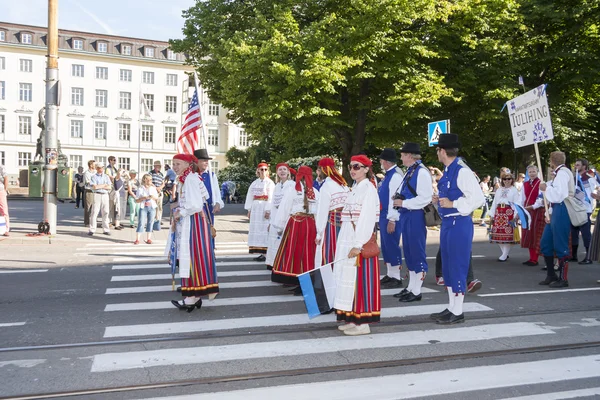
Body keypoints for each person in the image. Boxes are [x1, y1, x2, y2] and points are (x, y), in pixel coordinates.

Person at [431, 134, 484, 325]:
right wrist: (441, 201)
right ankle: (452, 306)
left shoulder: (462, 171)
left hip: (459, 223)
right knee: (448, 267)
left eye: (438, 150)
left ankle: (458, 310)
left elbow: (478, 198)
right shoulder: (450, 170)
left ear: (443, 151)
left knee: (457, 266)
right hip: (449, 223)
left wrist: (453, 202)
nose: (437, 153)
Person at [334, 155, 381, 336]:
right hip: (349, 236)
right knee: (350, 279)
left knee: (361, 280)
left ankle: (363, 322)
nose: (353, 169)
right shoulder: (355, 188)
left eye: (357, 167)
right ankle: (353, 318)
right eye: (351, 166)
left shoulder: (368, 189)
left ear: (366, 169)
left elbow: (367, 219)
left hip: (359, 239)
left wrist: (358, 244)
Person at [168, 153, 219, 312]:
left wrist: (180, 213)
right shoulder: (188, 178)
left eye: (178, 164)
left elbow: (196, 205)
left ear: (187, 164)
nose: (175, 167)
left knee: (192, 258)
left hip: (194, 223)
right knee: (193, 258)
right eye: (173, 164)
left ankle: (192, 297)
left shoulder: (190, 179)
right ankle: (193, 296)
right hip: (194, 222)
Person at [391, 143, 433, 302]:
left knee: (416, 251)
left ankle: (416, 290)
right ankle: (411, 287)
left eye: (402, 154)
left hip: (415, 215)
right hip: (407, 214)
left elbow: (425, 198)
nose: (400, 157)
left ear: (409, 155)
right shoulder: (412, 170)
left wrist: (404, 203)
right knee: (409, 252)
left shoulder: (421, 172)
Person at [270, 166, 319, 294]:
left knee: (295, 252)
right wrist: (319, 230)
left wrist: (279, 225)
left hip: (296, 224)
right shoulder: (314, 191)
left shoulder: (293, 190)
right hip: (310, 225)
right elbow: (319, 211)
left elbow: (285, 208)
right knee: (308, 253)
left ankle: (297, 281)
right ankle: (307, 281)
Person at [539, 151, 571, 288]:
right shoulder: (560, 173)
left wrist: (546, 189)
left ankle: (563, 279)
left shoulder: (562, 173)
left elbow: (559, 195)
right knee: (546, 242)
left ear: (552, 161)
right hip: (557, 209)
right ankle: (551, 274)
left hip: (562, 208)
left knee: (560, 244)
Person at [314, 157, 349, 267]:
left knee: (330, 249)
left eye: (320, 169)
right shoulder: (343, 184)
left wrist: (319, 233)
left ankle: (331, 277)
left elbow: (322, 211)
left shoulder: (326, 186)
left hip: (332, 221)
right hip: (345, 219)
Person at [377, 148, 404, 289]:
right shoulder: (389, 175)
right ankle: (390, 274)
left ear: (386, 162)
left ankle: (396, 276)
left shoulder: (395, 176)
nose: (380, 162)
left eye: (381, 160)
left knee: (392, 245)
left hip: (391, 215)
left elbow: (394, 198)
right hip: (385, 215)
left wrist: (392, 219)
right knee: (386, 246)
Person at [265, 163, 295, 270]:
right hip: (275, 216)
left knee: (283, 241)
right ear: (277, 172)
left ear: (288, 172)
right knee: (274, 240)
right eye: (280, 169)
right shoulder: (277, 186)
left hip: (286, 217)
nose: (282, 171)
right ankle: (273, 263)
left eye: (284, 169)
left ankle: (281, 265)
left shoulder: (292, 185)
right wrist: (270, 221)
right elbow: (273, 204)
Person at [488, 171, 521, 261]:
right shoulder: (499, 190)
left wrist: (516, 215)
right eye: (505, 179)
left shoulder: (514, 190)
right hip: (499, 212)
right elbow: (495, 202)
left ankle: (504, 254)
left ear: (512, 180)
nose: (507, 181)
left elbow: (516, 203)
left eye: (509, 179)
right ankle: (504, 253)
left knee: (507, 234)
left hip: (509, 212)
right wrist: (492, 214)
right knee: (498, 234)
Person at [245, 161, 275, 260]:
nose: (263, 171)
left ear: (267, 171)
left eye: (265, 169)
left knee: (265, 229)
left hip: (264, 207)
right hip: (256, 208)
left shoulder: (270, 183)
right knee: (256, 228)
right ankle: (261, 252)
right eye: (261, 169)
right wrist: (249, 209)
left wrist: (268, 210)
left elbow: (271, 197)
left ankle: (267, 253)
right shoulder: (254, 183)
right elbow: (250, 196)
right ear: (258, 170)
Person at [570, 158, 597, 264]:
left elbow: (591, 195)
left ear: (584, 166)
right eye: (575, 165)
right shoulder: (573, 178)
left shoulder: (589, 179)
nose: (575, 167)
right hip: (574, 208)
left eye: (578, 165)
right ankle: (574, 255)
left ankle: (588, 257)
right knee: (573, 232)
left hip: (585, 209)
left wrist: (580, 195)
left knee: (585, 233)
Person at [194, 148, 224, 232]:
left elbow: (216, 192)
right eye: (204, 160)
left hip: (208, 209)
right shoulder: (191, 175)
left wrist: (218, 203)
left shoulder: (211, 176)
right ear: (197, 161)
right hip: (194, 210)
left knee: (208, 233)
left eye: (207, 160)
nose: (207, 162)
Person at [521, 165, 545, 266]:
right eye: (530, 172)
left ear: (537, 172)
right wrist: (521, 209)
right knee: (528, 234)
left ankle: (535, 259)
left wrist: (533, 207)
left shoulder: (541, 183)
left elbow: (541, 199)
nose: (532, 173)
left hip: (537, 211)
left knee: (535, 234)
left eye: (534, 171)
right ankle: (531, 258)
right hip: (527, 211)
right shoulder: (525, 184)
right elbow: (522, 197)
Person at [88, 163, 112, 236]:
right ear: (96, 168)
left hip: (105, 195)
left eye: (101, 168)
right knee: (94, 212)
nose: (100, 169)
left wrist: (100, 186)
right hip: (97, 194)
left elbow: (109, 187)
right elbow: (94, 187)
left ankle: (106, 229)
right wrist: (104, 185)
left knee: (106, 212)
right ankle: (92, 229)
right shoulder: (94, 177)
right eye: (99, 168)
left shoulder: (106, 177)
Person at [134, 174, 159, 244]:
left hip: (152, 207)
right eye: (148, 179)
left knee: (150, 222)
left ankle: (149, 238)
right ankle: (137, 239)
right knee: (141, 222)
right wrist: (143, 198)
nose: (150, 181)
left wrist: (152, 197)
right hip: (143, 207)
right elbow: (136, 200)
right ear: (145, 180)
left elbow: (156, 198)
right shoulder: (140, 188)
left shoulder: (153, 188)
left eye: (151, 179)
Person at [149, 161, 165, 229]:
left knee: (160, 207)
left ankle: (159, 219)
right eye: (158, 166)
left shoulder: (161, 174)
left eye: (160, 166)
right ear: (155, 166)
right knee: (153, 206)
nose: (159, 168)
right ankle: (153, 220)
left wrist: (160, 188)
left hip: (160, 191)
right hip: (153, 191)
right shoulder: (151, 173)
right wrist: (156, 188)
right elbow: (149, 181)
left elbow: (163, 183)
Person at [105, 156, 118, 226]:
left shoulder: (114, 169)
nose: (115, 161)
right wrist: (116, 177)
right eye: (114, 160)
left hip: (115, 187)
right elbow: (109, 177)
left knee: (114, 205)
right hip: (110, 188)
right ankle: (108, 221)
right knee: (109, 205)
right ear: (110, 161)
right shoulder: (108, 168)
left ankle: (113, 221)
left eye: (115, 160)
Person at [83, 160, 96, 226]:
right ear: (90, 165)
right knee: (88, 207)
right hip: (89, 191)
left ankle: (93, 221)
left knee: (94, 207)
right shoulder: (86, 173)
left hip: (96, 191)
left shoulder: (96, 172)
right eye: (94, 164)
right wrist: (95, 184)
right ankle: (87, 222)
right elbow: (88, 182)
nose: (95, 165)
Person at [0, 164, 9, 236]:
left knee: (4, 210)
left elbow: (6, 178)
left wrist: (5, 190)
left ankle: (6, 229)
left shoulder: (1, 167)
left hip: (0, 190)